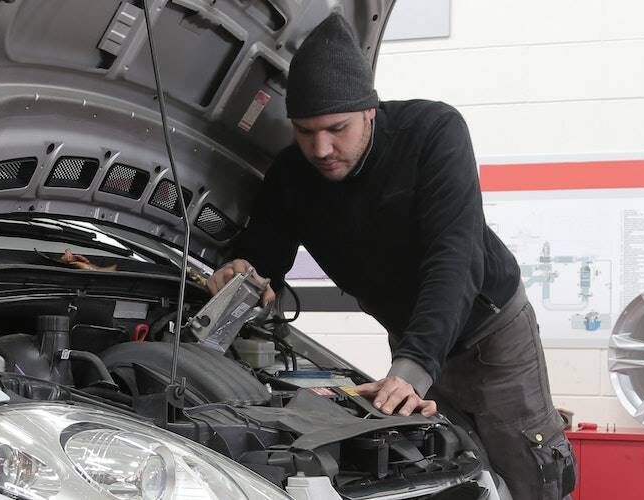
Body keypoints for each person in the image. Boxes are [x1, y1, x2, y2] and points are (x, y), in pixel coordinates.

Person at [207, 16, 576, 499]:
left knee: (526, 467)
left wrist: (412, 367)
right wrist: (244, 272)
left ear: (371, 111)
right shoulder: (292, 174)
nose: (321, 149)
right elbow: (265, 257)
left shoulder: (433, 133)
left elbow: (454, 258)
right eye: (304, 131)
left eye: (337, 129)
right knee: (448, 469)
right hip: (412, 335)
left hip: (490, 336)